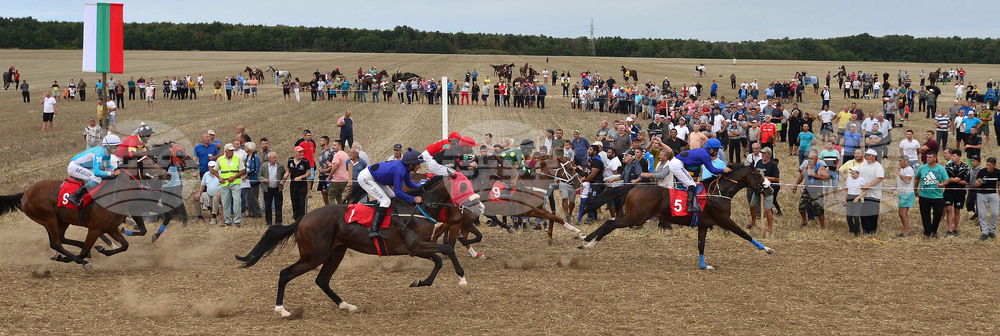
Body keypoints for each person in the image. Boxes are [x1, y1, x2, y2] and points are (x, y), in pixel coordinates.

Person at [357, 149, 425, 239]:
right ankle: (374, 230)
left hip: (376, 179)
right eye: (418, 164)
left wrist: (422, 189)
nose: (419, 167)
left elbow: (409, 184)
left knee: (393, 198)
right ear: (411, 164)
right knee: (385, 201)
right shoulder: (400, 170)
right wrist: (413, 199)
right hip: (367, 178)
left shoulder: (406, 169)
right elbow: (398, 192)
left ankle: (386, 222)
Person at [668, 138, 732, 213]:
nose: (717, 152)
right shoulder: (705, 155)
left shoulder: (703, 152)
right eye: (717, 150)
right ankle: (690, 207)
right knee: (691, 184)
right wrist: (723, 170)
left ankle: (688, 203)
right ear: (711, 149)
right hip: (677, 165)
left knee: (689, 185)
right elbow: (712, 170)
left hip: (677, 164)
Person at [66, 134, 122, 207]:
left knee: (104, 175)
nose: (117, 149)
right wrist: (112, 173)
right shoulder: (100, 153)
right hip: (74, 166)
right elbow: (97, 172)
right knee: (97, 178)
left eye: (118, 146)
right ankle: (75, 196)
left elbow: (108, 167)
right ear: (108, 146)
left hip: (86, 167)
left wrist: (118, 169)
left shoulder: (108, 154)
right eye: (115, 147)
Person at [793, 150, 829, 229]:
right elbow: (801, 176)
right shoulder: (806, 166)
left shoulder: (821, 167)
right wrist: (796, 185)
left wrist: (816, 176)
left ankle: (822, 226)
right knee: (801, 207)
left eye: (811, 158)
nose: (809, 160)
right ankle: (804, 221)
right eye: (809, 158)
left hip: (817, 192)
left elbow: (827, 178)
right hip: (807, 191)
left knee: (819, 210)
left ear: (816, 160)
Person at [915, 153, 948, 238]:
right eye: (927, 157)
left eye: (930, 157)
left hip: (937, 196)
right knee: (925, 215)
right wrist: (915, 188)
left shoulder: (941, 169)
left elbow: (947, 180)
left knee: (938, 214)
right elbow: (917, 178)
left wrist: (942, 184)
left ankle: (934, 230)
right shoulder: (922, 168)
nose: (928, 159)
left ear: (935, 158)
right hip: (924, 196)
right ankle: (927, 232)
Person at [748, 147, 779, 235]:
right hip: (757, 189)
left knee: (768, 209)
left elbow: (777, 179)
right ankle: (753, 222)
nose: (762, 155)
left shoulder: (772, 165)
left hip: (767, 190)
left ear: (769, 155)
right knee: (752, 206)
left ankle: (770, 228)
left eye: (764, 153)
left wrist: (764, 178)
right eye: (762, 153)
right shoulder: (758, 162)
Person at [216, 143, 245, 227]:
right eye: (230, 150)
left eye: (233, 150)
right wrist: (219, 177)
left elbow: (242, 170)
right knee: (226, 203)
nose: (232, 152)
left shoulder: (237, 158)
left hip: (235, 183)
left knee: (237, 202)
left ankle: (237, 221)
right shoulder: (220, 159)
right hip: (224, 183)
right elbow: (215, 170)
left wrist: (234, 177)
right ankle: (227, 221)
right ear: (226, 151)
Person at [858, 149, 885, 235]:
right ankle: (866, 231)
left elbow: (880, 178)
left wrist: (868, 185)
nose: (867, 157)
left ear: (874, 157)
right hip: (863, 194)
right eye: (866, 155)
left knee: (873, 214)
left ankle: (873, 231)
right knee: (863, 214)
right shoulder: (862, 165)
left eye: (869, 155)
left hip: (874, 195)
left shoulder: (878, 166)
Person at [943, 149, 969, 237]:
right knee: (949, 208)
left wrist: (957, 181)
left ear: (959, 157)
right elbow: (945, 179)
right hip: (949, 190)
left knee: (957, 210)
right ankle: (949, 229)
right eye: (952, 156)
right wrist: (952, 180)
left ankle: (956, 229)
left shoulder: (965, 167)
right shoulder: (948, 166)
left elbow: (966, 182)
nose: (952, 158)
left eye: (954, 156)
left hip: (960, 191)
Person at [975, 157, 1000, 240]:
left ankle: (992, 231)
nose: (988, 167)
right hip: (982, 193)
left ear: (994, 165)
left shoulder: (998, 172)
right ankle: (984, 233)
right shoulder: (982, 171)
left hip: (993, 193)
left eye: (990, 165)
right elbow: (976, 183)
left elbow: (999, 185)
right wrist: (978, 183)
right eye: (987, 165)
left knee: (995, 213)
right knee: (982, 214)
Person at [259, 151, 286, 226]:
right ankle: (268, 222)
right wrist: (263, 179)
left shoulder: (280, 165)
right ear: (269, 158)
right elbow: (259, 175)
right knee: (268, 206)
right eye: (274, 157)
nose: (275, 159)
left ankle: (278, 222)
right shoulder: (264, 166)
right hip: (268, 189)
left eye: (276, 157)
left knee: (278, 205)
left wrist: (283, 180)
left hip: (278, 188)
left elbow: (285, 174)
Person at [286, 146, 311, 221]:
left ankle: (302, 219)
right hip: (293, 185)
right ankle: (296, 219)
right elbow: (288, 168)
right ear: (295, 152)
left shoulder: (305, 161)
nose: (301, 153)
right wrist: (287, 173)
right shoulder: (290, 160)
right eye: (299, 152)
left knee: (302, 203)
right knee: (294, 202)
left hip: (302, 186)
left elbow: (309, 173)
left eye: (302, 152)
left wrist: (301, 177)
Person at [896, 155, 916, 237]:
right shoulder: (903, 169)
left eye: (901, 161)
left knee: (903, 213)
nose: (899, 163)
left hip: (907, 193)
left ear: (906, 161)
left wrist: (899, 174)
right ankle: (906, 231)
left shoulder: (909, 170)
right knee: (901, 213)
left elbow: (907, 180)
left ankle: (906, 232)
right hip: (902, 193)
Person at [327, 140, 350, 204]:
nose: (332, 147)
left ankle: (333, 212)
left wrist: (329, 177)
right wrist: (332, 165)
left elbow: (335, 167)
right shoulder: (345, 154)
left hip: (337, 180)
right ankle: (342, 211)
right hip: (345, 179)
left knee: (331, 197)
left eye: (334, 145)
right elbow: (341, 165)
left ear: (340, 146)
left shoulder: (337, 155)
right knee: (339, 197)